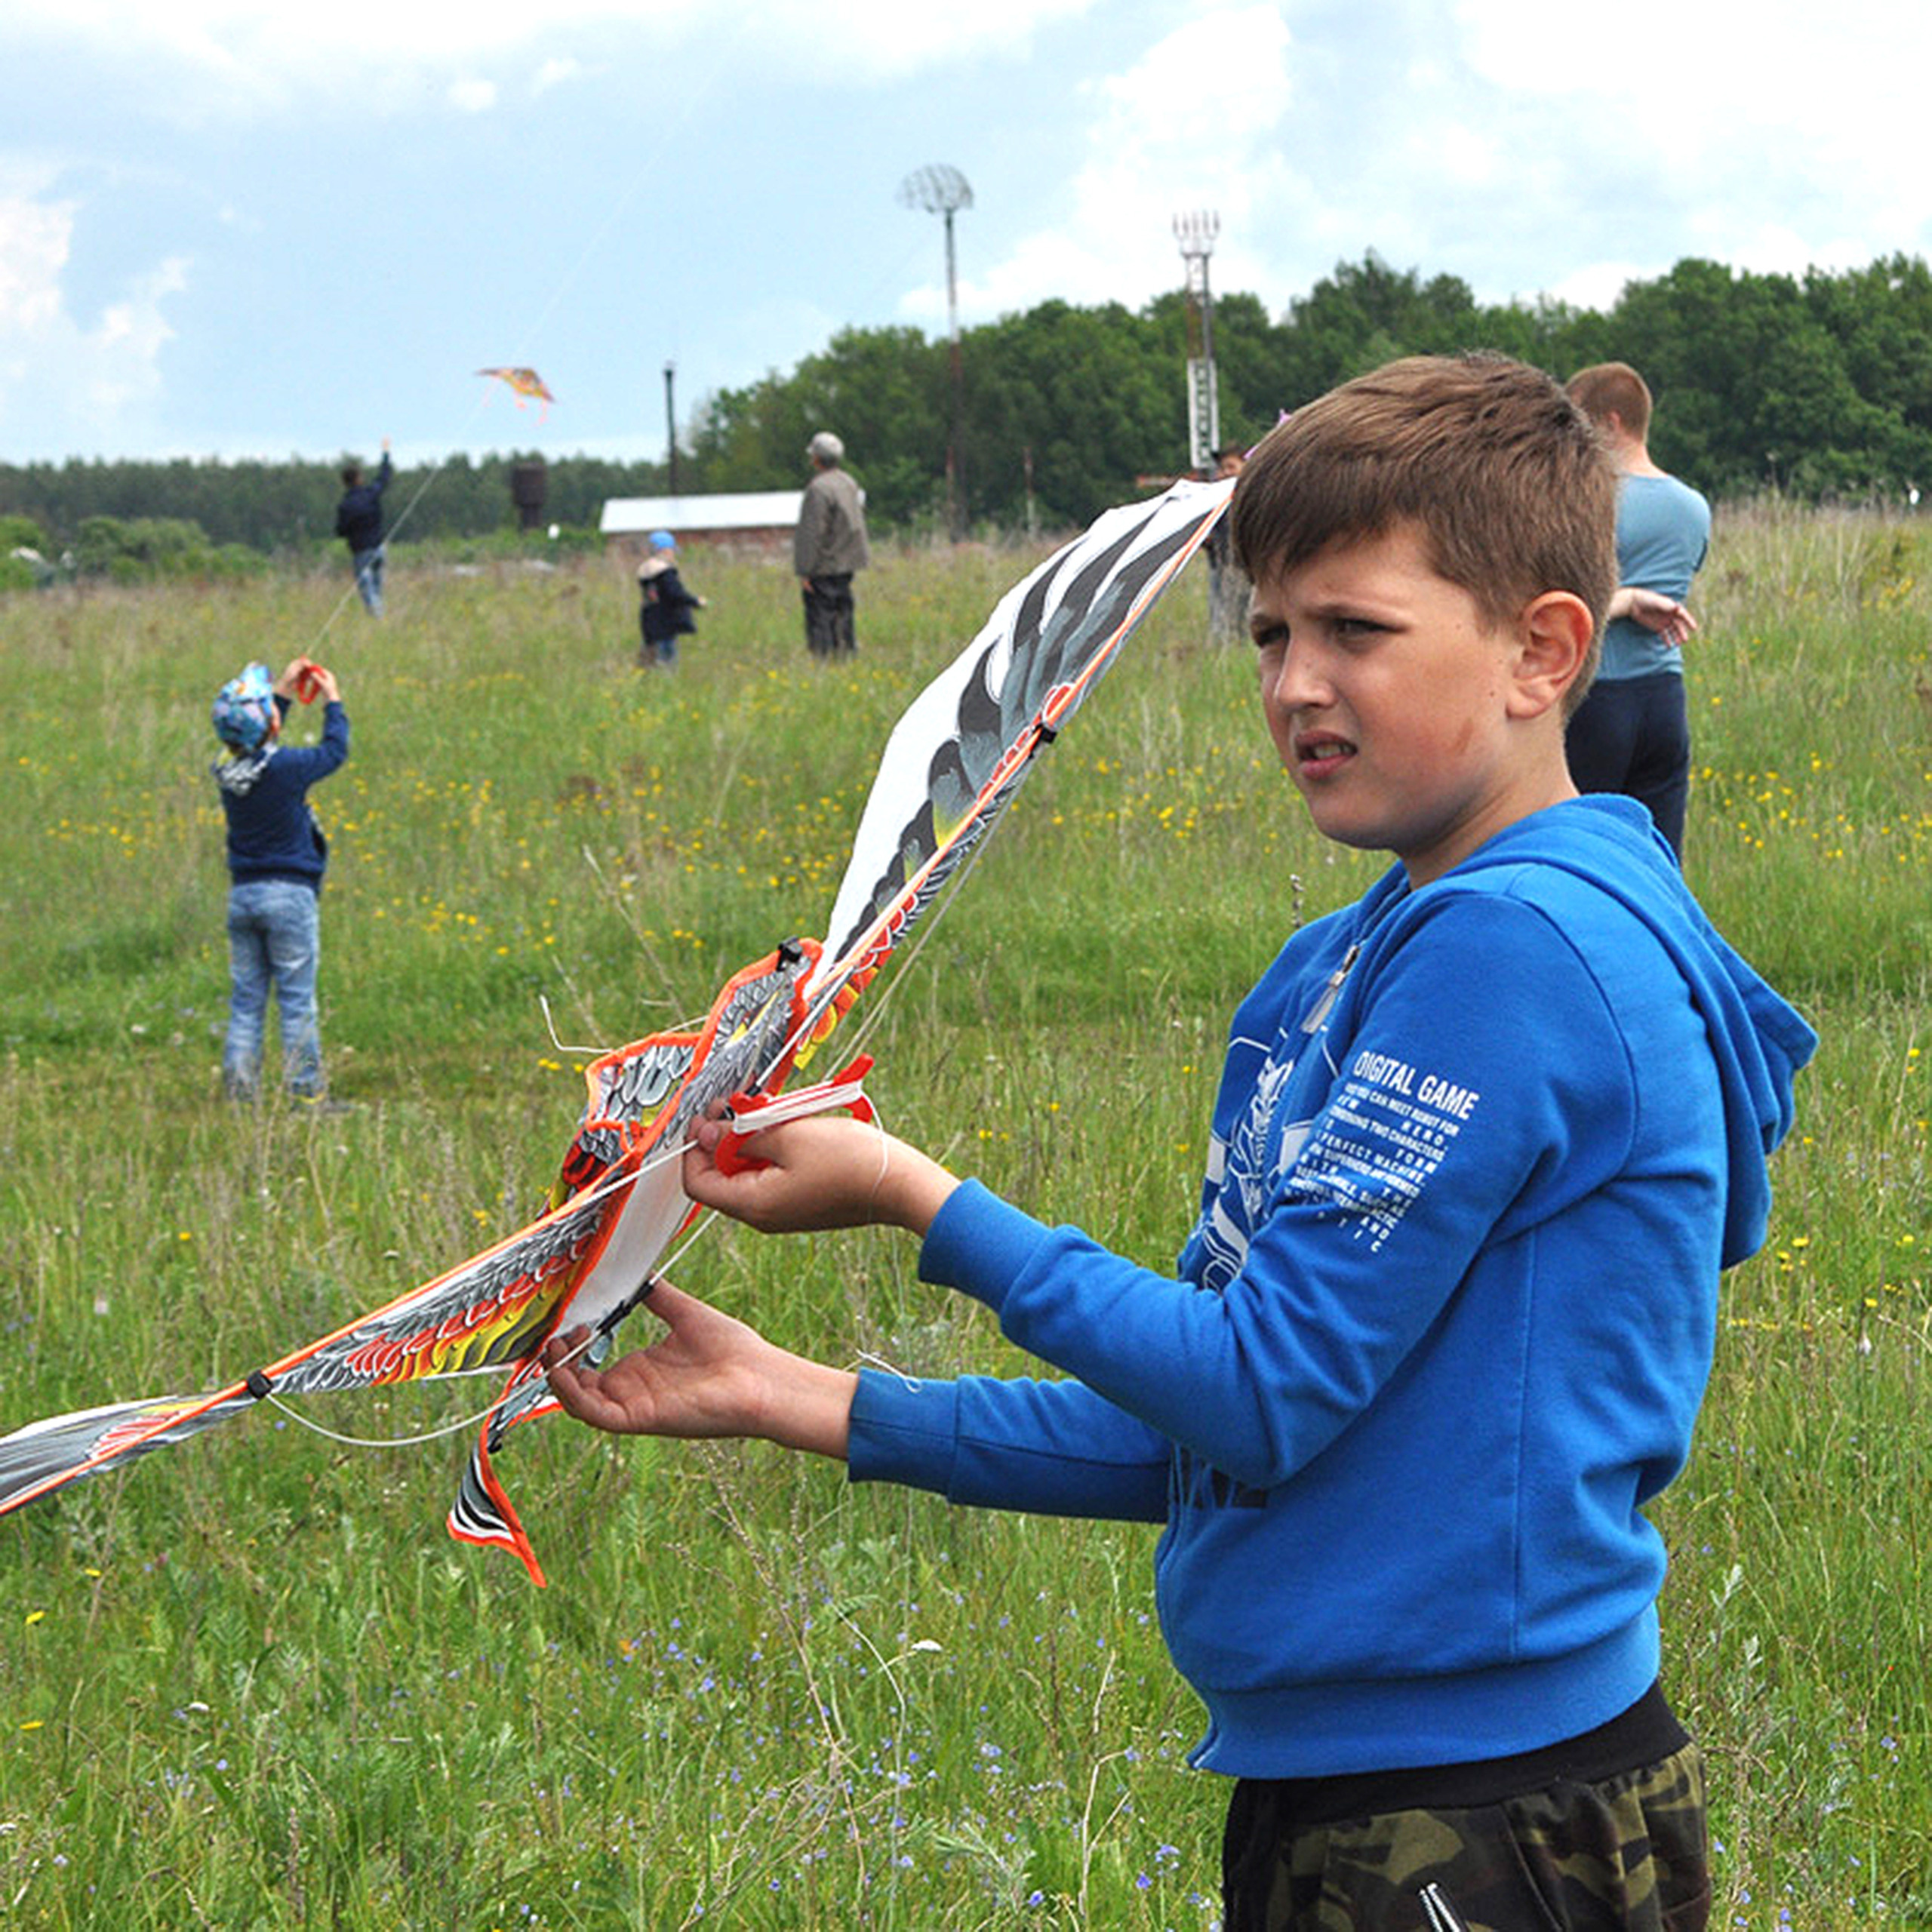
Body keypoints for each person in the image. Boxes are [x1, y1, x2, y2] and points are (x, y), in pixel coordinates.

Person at [546, 355, 1815, 1930]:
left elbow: (1256, 1390)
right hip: (1368, 1794)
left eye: (1356, 628)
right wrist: (798, 1396)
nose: (1292, 680)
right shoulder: (1353, 959)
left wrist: (915, 1197)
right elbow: (1215, 1421)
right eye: (1270, 629)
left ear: (1541, 650)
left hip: (1479, 1813)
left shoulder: (1519, 957)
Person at [1563, 364, 1712, 860]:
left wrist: (1622, 601)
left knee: (1577, 853)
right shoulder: (1694, 506)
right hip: (1664, 701)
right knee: (1658, 860)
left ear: (1610, 423)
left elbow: (1563, 608)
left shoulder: (1591, 503)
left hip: (1596, 699)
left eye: (1580, 426)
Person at [211, 657, 349, 1102]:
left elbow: (257, 737)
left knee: (247, 1001)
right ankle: (306, 1093)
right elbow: (334, 752)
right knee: (296, 1002)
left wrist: (282, 696)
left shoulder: (228, 770)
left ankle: (240, 1095)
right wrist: (333, 700)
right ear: (268, 724)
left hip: (244, 899)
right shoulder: (285, 769)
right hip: (289, 899)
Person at [793, 429, 870, 657]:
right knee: (843, 610)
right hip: (847, 563)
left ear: (816, 458)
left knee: (821, 615)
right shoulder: (849, 483)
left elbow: (812, 533)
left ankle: (825, 658)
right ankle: (847, 651)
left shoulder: (818, 489)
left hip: (824, 565)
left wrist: (805, 570)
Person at [335, 438, 394, 617]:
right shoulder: (371, 494)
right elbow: (384, 477)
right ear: (359, 479)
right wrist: (385, 453)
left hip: (361, 552)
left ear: (345, 483)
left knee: (367, 589)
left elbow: (341, 531)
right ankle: (380, 617)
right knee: (377, 586)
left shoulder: (345, 506)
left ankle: (378, 617)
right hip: (379, 548)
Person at [635, 530, 704, 669]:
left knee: (649, 666)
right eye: (672, 549)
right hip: (665, 626)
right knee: (667, 667)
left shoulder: (645, 570)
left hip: (649, 625)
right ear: (664, 550)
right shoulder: (664, 572)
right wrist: (696, 601)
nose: (673, 553)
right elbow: (675, 594)